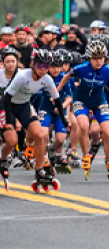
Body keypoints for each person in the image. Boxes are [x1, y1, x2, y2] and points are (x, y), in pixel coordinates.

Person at [57, 40, 109, 182]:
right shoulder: (81, 68)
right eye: (95, 58)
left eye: (101, 58)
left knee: (107, 132)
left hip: (99, 102)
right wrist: (56, 93)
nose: (98, 61)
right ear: (89, 58)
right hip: (80, 100)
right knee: (83, 126)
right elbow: (66, 77)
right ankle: (85, 156)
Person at [3, 49, 68, 189]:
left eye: (46, 66)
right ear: (33, 64)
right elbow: (6, 98)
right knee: (12, 140)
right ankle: (2, 160)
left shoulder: (47, 79)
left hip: (24, 106)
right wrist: (9, 121)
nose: (43, 70)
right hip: (8, 106)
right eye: (40, 66)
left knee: (39, 135)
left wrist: (64, 119)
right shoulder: (22, 76)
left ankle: (39, 171)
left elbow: (57, 100)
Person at [0, 47, 21, 188]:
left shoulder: (21, 76)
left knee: (12, 141)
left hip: (10, 110)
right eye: (8, 61)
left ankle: (3, 160)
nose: (11, 64)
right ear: (3, 63)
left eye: (13, 61)